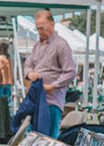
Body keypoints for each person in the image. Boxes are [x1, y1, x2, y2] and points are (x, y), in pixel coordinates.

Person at [21, 8, 76, 138]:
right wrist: (30, 74)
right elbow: (28, 65)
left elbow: (70, 72)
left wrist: (52, 86)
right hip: (36, 99)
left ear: (52, 24)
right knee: (33, 138)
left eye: (42, 28)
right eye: (37, 28)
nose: (40, 32)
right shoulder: (37, 46)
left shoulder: (61, 45)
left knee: (49, 141)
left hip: (51, 101)